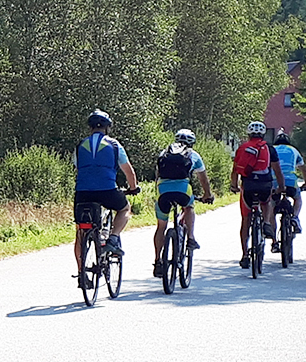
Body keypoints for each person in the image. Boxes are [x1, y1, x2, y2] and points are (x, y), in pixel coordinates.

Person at [72, 109, 141, 288]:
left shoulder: (80, 145)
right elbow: (128, 171)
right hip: (107, 190)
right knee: (124, 208)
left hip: (83, 192)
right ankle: (113, 238)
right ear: (107, 128)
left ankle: (81, 274)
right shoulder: (114, 145)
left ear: (90, 128)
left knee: (81, 233)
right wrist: (133, 188)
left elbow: (78, 167)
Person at [151, 128, 214, 277]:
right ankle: (191, 238)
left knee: (161, 227)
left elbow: (157, 175)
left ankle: (158, 261)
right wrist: (207, 195)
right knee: (189, 207)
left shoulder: (164, 153)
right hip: (183, 190)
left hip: (163, 190)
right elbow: (203, 179)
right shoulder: (194, 155)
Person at [230, 120, 288, 267]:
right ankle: (267, 223)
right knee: (267, 202)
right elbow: (277, 171)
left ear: (249, 134)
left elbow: (235, 170)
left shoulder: (242, 148)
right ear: (263, 134)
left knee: (245, 220)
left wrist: (234, 186)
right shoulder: (269, 149)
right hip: (264, 184)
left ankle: (244, 255)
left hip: (248, 186)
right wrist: (281, 187)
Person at [272, 129, 306, 234]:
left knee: (270, 204)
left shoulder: (271, 150)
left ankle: (271, 230)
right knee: (297, 199)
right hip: (290, 182)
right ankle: (295, 217)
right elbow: (304, 170)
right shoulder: (294, 150)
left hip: (274, 182)